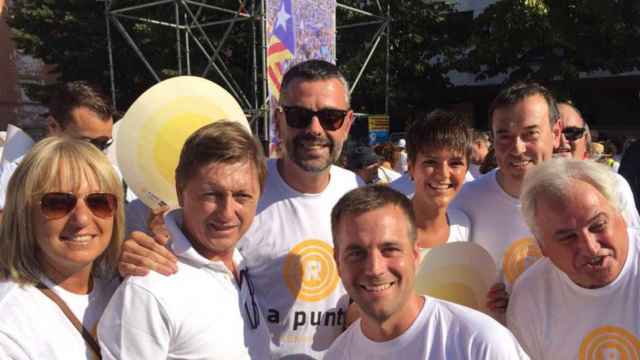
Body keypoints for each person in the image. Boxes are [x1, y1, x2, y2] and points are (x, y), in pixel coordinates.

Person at [118, 60, 363, 358]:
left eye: (330, 118)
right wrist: (137, 251)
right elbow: (174, 252)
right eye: (299, 116)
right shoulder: (239, 186)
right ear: (278, 120)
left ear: (348, 123)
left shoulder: (359, 194)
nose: (315, 129)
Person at [98, 122, 271, 359]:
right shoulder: (148, 289)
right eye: (211, 194)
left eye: (242, 196)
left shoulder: (241, 266)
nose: (227, 212)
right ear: (181, 190)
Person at [325, 185, 529, 359]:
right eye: (356, 253)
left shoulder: (479, 343)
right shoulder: (337, 355)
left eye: (390, 250)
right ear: (337, 262)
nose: (374, 268)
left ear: (415, 254)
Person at [0, 137, 124, 359]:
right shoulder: (10, 319)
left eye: (99, 202)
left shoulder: (124, 292)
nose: (82, 219)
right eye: (58, 203)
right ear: (24, 214)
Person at [508, 159, 640, 360]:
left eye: (598, 226)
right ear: (542, 246)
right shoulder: (530, 298)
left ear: (621, 216)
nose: (590, 247)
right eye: (568, 237)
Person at [450, 82, 561, 317]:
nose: (517, 148)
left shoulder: (598, 195)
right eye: (504, 136)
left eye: (530, 134)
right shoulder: (463, 201)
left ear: (557, 133)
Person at [0, 81, 134, 213]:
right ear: (53, 127)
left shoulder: (115, 176)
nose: (97, 153)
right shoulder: (18, 175)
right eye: (88, 143)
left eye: (104, 144)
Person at [406, 109, 471, 253]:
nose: (443, 174)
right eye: (431, 162)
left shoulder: (463, 226)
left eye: (455, 163)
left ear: (467, 169)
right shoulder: (386, 228)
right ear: (411, 168)